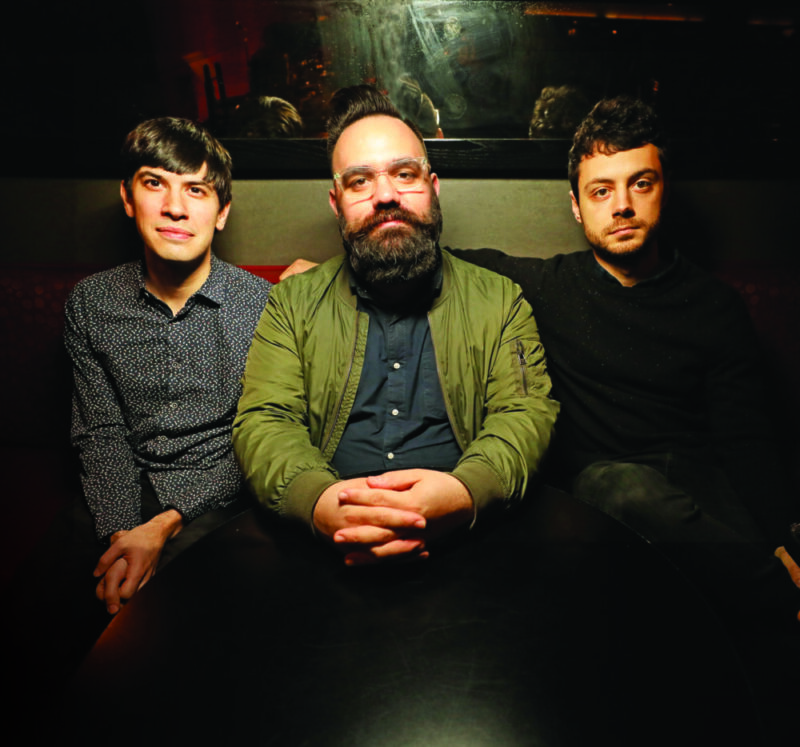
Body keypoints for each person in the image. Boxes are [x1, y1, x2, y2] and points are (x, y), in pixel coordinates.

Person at [447, 97, 800, 625]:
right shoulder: (547, 287)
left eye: (640, 184)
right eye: (601, 190)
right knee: (620, 489)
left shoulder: (715, 305)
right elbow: (435, 263)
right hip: (606, 493)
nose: (622, 207)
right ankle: (777, 603)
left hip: (699, 489)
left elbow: (746, 438)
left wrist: (782, 538)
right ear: (576, 205)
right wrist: (330, 272)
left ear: (664, 190)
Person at [233, 86, 558, 565]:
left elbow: (525, 416)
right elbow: (265, 421)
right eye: (359, 181)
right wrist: (321, 504)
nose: (385, 195)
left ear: (433, 186)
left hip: (470, 545)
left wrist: (465, 493)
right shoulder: (292, 304)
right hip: (324, 550)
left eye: (404, 174)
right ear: (336, 202)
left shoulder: (501, 302)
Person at [63, 117, 272, 616]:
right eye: (155, 183)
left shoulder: (264, 306)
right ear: (127, 197)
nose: (175, 207)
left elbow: (261, 437)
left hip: (227, 499)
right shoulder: (91, 304)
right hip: (124, 491)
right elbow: (100, 432)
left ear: (222, 212)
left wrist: (164, 526)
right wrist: (122, 535)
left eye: (196, 190)